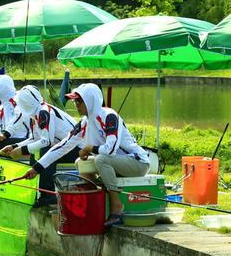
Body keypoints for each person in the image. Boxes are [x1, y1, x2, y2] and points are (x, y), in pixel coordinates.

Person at [21, 83, 150, 225]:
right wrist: (36, 168)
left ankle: (117, 207)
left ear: (91, 100)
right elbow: (62, 146)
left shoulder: (109, 116)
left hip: (137, 162)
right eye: (74, 101)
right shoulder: (84, 123)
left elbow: (110, 149)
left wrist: (89, 148)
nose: (76, 104)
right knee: (80, 162)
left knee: (101, 159)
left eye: (79, 101)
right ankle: (93, 204)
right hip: (115, 164)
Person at [2, 85, 78, 207]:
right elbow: (34, 139)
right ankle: (38, 191)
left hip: (77, 148)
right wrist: (14, 146)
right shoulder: (37, 113)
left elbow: (45, 141)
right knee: (37, 151)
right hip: (64, 147)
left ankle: (48, 196)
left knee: (45, 150)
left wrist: (21, 150)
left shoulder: (43, 113)